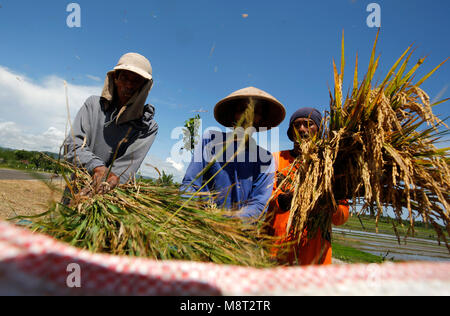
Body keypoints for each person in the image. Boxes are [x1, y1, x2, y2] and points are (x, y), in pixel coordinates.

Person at [180, 87, 286, 221]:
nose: (248, 116)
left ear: (261, 119)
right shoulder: (211, 140)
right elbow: (191, 183)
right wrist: (188, 213)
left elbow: (258, 204)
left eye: (255, 112)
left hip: (238, 234)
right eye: (242, 109)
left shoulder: (265, 159)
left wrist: (229, 223)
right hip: (202, 223)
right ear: (233, 115)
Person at [63, 52, 158, 196]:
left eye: (136, 80)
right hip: (76, 192)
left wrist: (108, 179)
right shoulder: (93, 106)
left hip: (109, 198)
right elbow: (73, 145)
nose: (129, 85)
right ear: (116, 78)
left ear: (144, 86)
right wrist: (98, 168)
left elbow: (126, 167)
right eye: (125, 77)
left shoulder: (147, 127)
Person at [267, 107, 349, 265]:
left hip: (315, 256)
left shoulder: (332, 166)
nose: (302, 129)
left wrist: (329, 203)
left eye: (308, 124)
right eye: (297, 125)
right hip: (279, 252)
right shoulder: (277, 159)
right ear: (291, 132)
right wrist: (285, 199)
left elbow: (341, 218)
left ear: (318, 130)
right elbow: (267, 200)